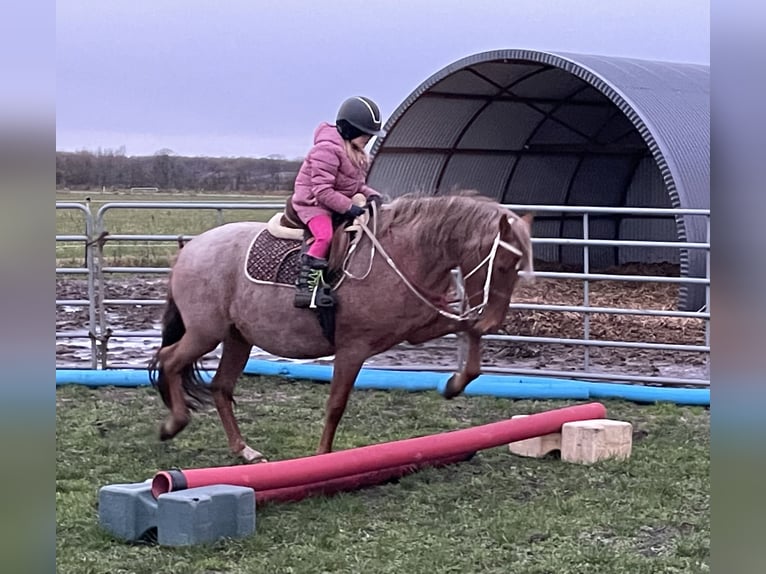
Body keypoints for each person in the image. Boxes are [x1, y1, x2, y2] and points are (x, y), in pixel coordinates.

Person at [290, 96, 385, 308]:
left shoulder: (356, 152)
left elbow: (355, 185)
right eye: (366, 134)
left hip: (334, 200)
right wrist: (349, 208)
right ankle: (307, 287)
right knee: (324, 236)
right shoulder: (326, 150)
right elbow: (322, 191)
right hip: (314, 203)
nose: (369, 138)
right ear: (350, 131)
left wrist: (372, 195)